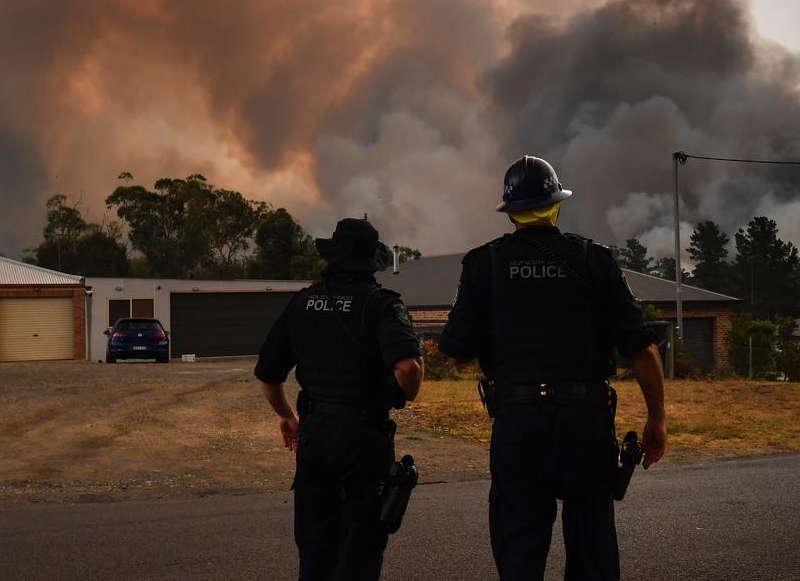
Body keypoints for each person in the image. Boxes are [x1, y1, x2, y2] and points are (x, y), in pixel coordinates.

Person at [438, 155, 667, 581]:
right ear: (556, 204)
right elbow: (643, 350)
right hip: (585, 423)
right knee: (592, 546)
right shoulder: (594, 260)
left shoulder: (483, 265)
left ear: (511, 214)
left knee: (519, 546)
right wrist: (657, 419)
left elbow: (455, 353)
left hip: (519, 423)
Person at [255, 217, 425, 581]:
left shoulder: (302, 303)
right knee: (360, 547)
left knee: (315, 547)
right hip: (364, 439)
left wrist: (287, 416)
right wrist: (406, 394)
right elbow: (408, 367)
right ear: (372, 261)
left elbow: (269, 374)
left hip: (314, 437)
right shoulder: (381, 304)